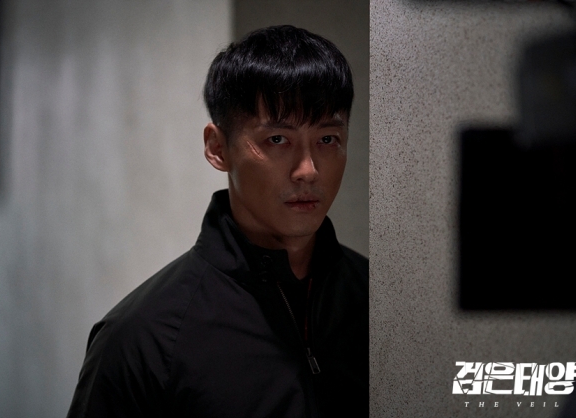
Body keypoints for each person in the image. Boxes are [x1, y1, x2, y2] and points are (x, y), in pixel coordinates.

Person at [67, 25, 368, 418]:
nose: (308, 170)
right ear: (217, 148)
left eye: (327, 139)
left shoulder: (380, 302)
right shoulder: (145, 337)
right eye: (278, 140)